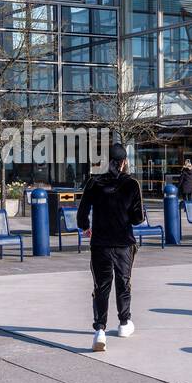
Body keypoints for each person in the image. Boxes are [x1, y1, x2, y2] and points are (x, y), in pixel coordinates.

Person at [76, 142, 144, 353]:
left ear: (109, 162)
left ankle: (100, 330)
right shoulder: (132, 184)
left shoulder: (94, 182)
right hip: (123, 243)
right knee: (124, 283)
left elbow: (81, 214)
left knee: (101, 286)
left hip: (100, 244)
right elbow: (137, 219)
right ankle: (124, 323)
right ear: (124, 162)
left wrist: (86, 227)